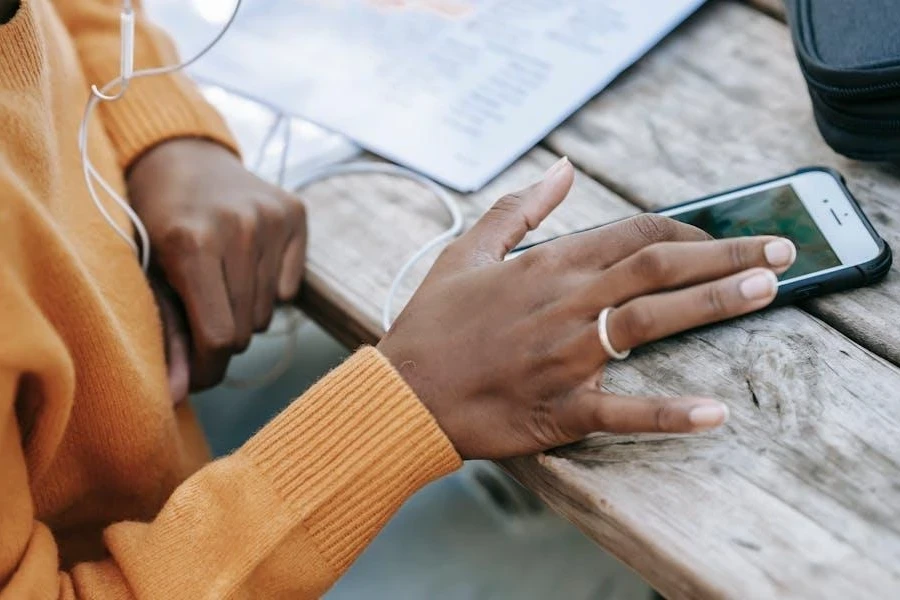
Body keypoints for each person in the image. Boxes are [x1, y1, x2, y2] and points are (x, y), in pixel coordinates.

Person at [0, 0, 799, 597]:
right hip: (142, 561)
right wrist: (402, 406)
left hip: (156, 430)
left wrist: (161, 133)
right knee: (643, 553)